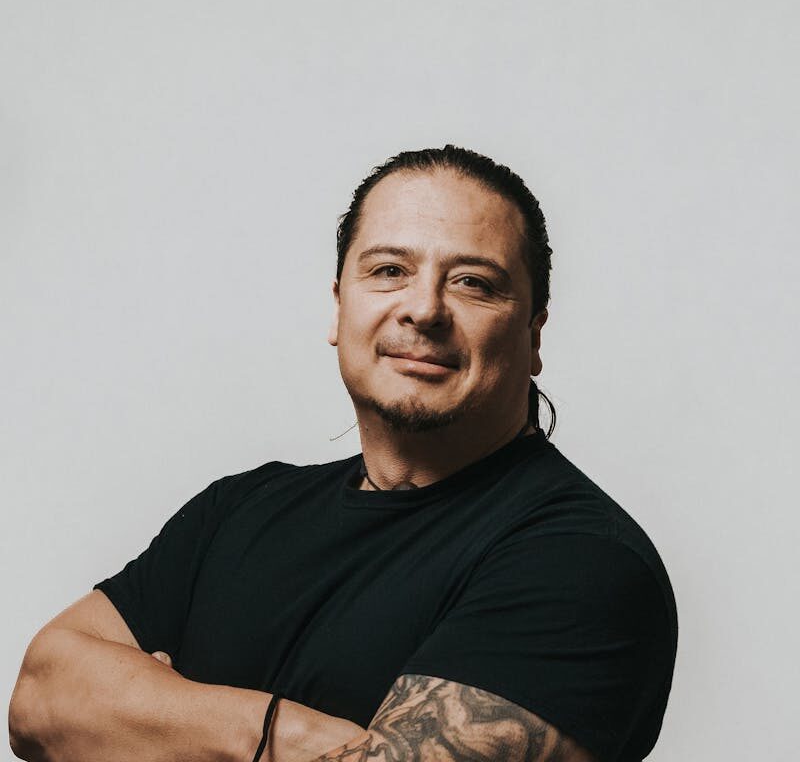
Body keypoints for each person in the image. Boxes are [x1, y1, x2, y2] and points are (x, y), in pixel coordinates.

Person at [9, 145, 678, 762]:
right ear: (339, 307)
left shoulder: (581, 562)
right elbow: (38, 699)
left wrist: (159, 715)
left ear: (533, 335)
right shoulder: (236, 512)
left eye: (473, 282)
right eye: (389, 270)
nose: (423, 309)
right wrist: (282, 735)